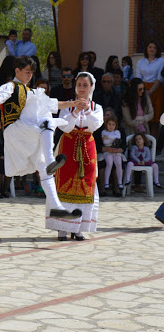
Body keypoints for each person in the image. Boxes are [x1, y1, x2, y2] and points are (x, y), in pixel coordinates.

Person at [0, 55, 85, 219]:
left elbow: (52, 103)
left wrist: (72, 104)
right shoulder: (10, 86)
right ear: (17, 71)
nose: (30, 75)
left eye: (32, 73)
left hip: (29, 132)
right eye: (27, 72)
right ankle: (51, 159)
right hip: (15, 130)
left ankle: (56, 206)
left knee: (43, 166)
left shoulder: (32, 92)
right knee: (46, 121)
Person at [46, 72, 104, 241]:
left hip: (87, 147)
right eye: (79, 85)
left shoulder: (97, 108)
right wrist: (74, 111)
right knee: (63, 184)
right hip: (68, 146)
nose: (82, 88)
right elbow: (65, 127)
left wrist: (86, 111)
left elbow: (95, 125)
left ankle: (78, 228)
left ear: (91, 87)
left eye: (85, 85)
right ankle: (62, 228)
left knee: (85, 185)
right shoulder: (68, 106)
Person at [135, 41, 164, 136]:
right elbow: (138, 77)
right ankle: (143, 140)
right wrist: (144, 90)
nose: (152, 49)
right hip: (142, 89)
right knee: (143, 113)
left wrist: (151, 90)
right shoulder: (141, 62)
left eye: (154, 47)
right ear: (146, 49)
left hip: (156, 89)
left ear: (157, 50)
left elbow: (160, 77)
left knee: (156, 116)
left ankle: (154, 142)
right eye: (150, 47)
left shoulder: (161, 61)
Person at [99, 115, 125, 192]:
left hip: (116, 151)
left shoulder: (117, 132)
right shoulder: (103, 131)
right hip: (108, 152)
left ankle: (120, 183)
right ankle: (106, 183)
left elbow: (118, 139)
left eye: (113, 124)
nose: (111, 126)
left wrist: (108, 137)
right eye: (109, 124)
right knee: (109, 163)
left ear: (116, 125)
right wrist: (110, 138)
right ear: (106, 124)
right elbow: (105, 142)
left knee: (118, 163)